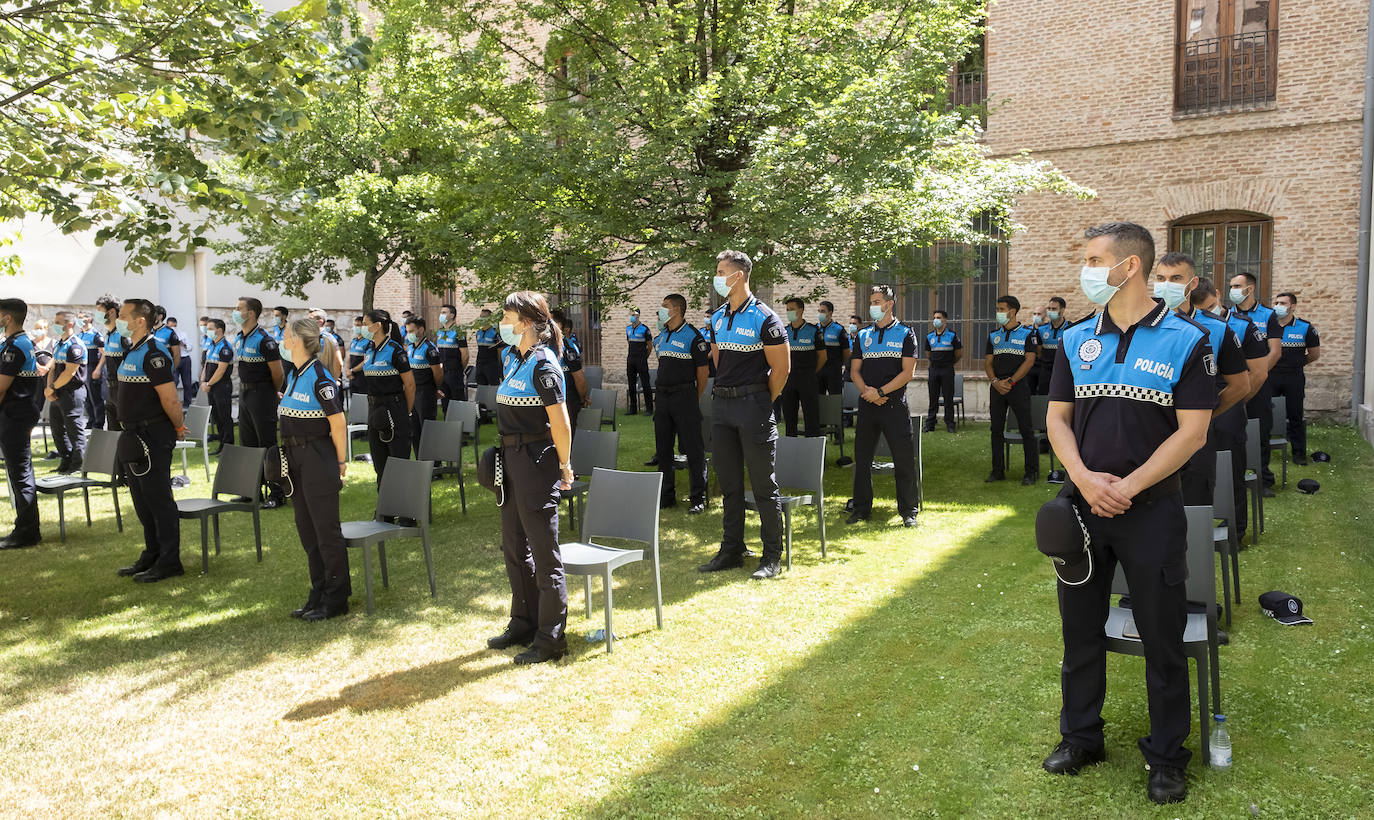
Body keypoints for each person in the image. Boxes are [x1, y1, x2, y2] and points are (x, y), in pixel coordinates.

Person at [1042, 222, 1215, 805]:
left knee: (1162, 637)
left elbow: (1192, 433)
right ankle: (1081, 738)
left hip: (1152, 511)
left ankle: (1166, 756)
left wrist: (1129, 487)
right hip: (1083, 509)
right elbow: (1057, 419)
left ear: (1130, 266)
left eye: (1095, 259)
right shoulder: (1074, 338)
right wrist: (1085, 480)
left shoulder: (1187, 340)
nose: (1087, 270)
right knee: (1079, 632)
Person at [486, 291, 574, 665]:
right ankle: (523, 622)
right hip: (510, 460)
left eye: (507, 318)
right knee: (513, 545)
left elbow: (561, 423)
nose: (502, 324)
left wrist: (565, 465)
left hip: (536, 463)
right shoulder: (513, 358)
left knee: (543, 551)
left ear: (524, 323)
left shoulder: (543, 365)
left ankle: (551, 638)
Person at [701, 250, 789, 580]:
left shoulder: (765, 318)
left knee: (764, 485)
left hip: (753, 407)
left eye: (721, 272)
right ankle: (732, 550)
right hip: (722, 407)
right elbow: (718, 360)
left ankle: (772, 556)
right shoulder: (717, 317)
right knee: (730, 484)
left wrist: (761, 400)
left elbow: (782, 369)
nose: (717, 278)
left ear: (738, 275)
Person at [1154, 255, 1250, 510]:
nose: (1167, 285)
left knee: (1195, 504)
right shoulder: (1139, 324)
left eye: (1176, 278)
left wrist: (1205, 416)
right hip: (1150, 432)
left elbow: (1241, 385)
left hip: (1195, 437)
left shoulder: (1216, 329)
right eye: (1161, 278)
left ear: (1193, 283)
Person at [279, 317, 351, 621]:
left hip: (317, 458)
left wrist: (341, 462)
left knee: (325, 531)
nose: (282, 340)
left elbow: (338, 423)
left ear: (297, 340)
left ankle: (336, 598)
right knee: (307, 530)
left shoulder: (320, 378)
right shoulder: (294, 374)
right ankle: (318, 592)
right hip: (295, 457)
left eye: (286, 335)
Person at [114, 298, 188, 583]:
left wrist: (178, 426)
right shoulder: (133, 349)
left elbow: (170, 398)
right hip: (132, 434)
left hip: (152, 434)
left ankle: (170, 560)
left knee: (158, 499)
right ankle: (152, 553)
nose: (118, 320)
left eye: (123, 316)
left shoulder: (154, 352)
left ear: (140, 321)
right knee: (142, 499)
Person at [1192, 278, 1268, 537]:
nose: (1205, 314)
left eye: (1209, 307)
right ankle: (1195, 531)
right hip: (1195, 400)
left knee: (1230, 469)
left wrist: (1234, 403)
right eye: (1199, 310)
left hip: (1227, 395)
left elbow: (1258, 373)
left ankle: (1235, 530)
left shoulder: (1241, 325)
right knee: (1193, 471)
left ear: (1217, 295)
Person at [849, 285, 920, 527]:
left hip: (894, 406)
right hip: (868, 405)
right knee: (862, 459)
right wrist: (868, 393)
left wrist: (880, 392)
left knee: (903, 459)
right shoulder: (862, 335)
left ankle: (909, 511)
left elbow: (908, 372)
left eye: (877, 302)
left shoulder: (906, 333)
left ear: (890, 304)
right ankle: (861, 509)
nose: (873, 306)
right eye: (871, 302)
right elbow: (854, 371)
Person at [652, 293, 711, 512]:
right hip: (663, 398)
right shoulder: (662, 335)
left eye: (665, 306)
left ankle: (697, 498)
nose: (661, 310)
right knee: (663, 449)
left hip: (684, 397)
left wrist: (694, 396)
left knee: (693, 449)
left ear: (676, 309)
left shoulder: (693, 336)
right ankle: (667, 496)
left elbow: (703, 372)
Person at [233, 297, 286, 508]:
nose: (235, 311)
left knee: (267, 444)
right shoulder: (240, 337)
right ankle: (251, 491)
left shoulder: (265, 341)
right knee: (247, 444)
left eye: (239, 308)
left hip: (261, 394)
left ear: (251, 313)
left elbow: (278, 373)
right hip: (244, 394)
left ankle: (277, 493)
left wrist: (271, 393)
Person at [0, 299, 45, 549]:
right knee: (19, 473)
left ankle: (27, 532)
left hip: (15, 415)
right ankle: (24, 527)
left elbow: (1, 387)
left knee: (20, 474)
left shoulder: (15, 346)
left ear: (7, 318)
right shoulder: (15, 343)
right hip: (15, 414)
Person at [1228, 272, 1280, 490]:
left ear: (1250, 289)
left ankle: (1263, 479)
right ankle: (1233, 479)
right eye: (1231, 286)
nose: (1233, 290)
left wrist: (1255, 376)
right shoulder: (1226, 315)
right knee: (1231, 432)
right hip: (1233, 384)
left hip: (1259, 383)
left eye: (1237, 286)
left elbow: (1274, 352)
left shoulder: (1268, 315)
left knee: (1260, 430)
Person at [984, 295, 1040, 484]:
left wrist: (1011, 381)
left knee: (1026, 429)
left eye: (1001, 309)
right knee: (996, 429)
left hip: (1018, 387)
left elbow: (1030, 360)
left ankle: (1030, 473)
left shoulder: (1027, 334)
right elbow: (988, 362)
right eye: (997, 309)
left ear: (1012, 311)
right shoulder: (993, 335)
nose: (998, 313)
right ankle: (997, 471)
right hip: (997, 387)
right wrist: (995, 381)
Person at [361, 309, 414, 485]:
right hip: (373, 409)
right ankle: (384, 501)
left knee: (398, 460)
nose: (362, 328)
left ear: (377, 326)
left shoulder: (395, 350)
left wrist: (405, 413)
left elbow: (410, 385)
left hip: (394, 409)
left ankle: (403, 500)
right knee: (379, 461)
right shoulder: (369, 349)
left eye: (365, 324)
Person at [1269, 292, 1319, 465]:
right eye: (1276, 302)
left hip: (1294, 377)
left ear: (1293, 306)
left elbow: (1314, 354)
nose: (1278, 306)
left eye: (1283, 303)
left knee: (1295, 416)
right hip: (1271, 376)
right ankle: (1263, 452)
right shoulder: (1269, 326)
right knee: (1266, 414)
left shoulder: (1305, 327)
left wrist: (1297, 364)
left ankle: (1299, 454)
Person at [775, 297, 825, 438]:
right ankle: (791, 448)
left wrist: (811, 372)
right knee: (789, 418)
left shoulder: (813, 331)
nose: (789, 312)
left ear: (801, 310)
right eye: (787, 310)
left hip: (808, 380)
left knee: (811, 418)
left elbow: (823, 356)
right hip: (788, 380)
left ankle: (812, 449)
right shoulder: (783, 331)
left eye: (792, 309)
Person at [46, 311, 88, 474]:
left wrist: (52, 387)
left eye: (58, 322)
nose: (54, 325)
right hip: (58, 391)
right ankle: (66, 460)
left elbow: (69, 373)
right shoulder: (59, 344)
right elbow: (53, 368)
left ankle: (78, 465)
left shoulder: (75, 345)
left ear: (69, 324)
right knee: (57, 429)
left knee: (74, 429)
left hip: (72, 392)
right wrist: (49, 388)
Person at [405, 316, 443, 454]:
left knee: (427, 429)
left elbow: (438, 373)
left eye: (411, 331)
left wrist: (436, 389)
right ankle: (419, 459)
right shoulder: (410, 348)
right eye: (407, 331)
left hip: (425, 393)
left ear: (421, 330)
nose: (409, 334)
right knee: (414, 429)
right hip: (413, 392)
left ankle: (434, 462)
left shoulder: (429, 349)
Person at [923, 308, 962, 433]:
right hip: (934, 370)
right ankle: (930, 424)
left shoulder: (952, 335)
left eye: (939, 318)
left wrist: (949, 363)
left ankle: (950, 424)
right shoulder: (929, 336)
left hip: (947, 370)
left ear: (945, 320)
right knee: (933, 398)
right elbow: (928, 353)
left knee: (948, 398)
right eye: (934, 318)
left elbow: (959, 354)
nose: (936, 320)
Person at [553, 310, 590, 432]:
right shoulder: (540, 346)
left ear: (558, 325)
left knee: (566, 432)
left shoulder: (568, 347)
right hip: (546, 400)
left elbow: (579, 378)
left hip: (566, 398)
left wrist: (582, 398)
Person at [201, 319, 235, 455]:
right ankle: (221, 444)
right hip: (211, 387)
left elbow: (221, 370)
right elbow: (206, 364)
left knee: (224, 416)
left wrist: (209, 383)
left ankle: (228, 447)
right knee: (217, 417)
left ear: (219, 330)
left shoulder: (225, 348)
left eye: (210, 328)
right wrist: (203, 381)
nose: (207, 331)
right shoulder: (211, 345)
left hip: (222, 386)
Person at [96, 296, 127, 431]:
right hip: (110, 389)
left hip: (123, 390)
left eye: (100, 311)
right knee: (113, 432)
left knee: (128, 430)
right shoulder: (109, 334)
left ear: (112, 312)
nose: (97, 314)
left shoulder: (124, 335)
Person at [434, 304, 469, 409]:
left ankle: (461, 419)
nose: (441, 315)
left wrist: (459, 368)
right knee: (445, 403)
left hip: (454, 373)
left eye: (444, 312)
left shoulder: (458, 332)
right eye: (441, 312)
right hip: (442, 373)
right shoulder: (440, 332)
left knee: (458, 402)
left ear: (452, 315)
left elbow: (465, 355)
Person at [1036, 297, 1070, 396]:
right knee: (1043, 396)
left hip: (1063, 371)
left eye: (1054, 309)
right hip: (1045, 371)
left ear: (1062, 310)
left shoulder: (1070, 329)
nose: (1050, 311)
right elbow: (1039, 351)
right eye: (1049, 309)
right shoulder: (1041, 329)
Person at [78, 312, 106, 429]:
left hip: (93, 368)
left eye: (81, 318)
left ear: (89, 319)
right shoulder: (79, 335)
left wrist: (98, 369)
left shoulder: (96, 335)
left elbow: (104, 353)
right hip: (83, 370)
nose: (78, 320)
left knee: (96, 397)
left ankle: (98, 424)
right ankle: (91, 420)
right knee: (87, 398)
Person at [625, 308, 654, 416]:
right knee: (631, 384)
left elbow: (649, 346)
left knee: (645, 384)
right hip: (631, 360)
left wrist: (645, 357)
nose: (632, 316)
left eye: (634, 314)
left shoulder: (645, 329)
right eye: (631, 314)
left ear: (638, 316)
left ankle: (649, 409)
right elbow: (629, 342)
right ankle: (633, 409)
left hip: (641, 359)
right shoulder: (628, 329)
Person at [165, 317, 195, 406]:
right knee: (174, 381)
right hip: (173, 359)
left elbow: (190, 347)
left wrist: (183, 344)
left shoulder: (182, 334)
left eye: (174, 326)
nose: (173, 328)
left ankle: (187, 403)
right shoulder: (165, 335)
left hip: (185, 359)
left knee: (187, 382)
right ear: (167, 325)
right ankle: (173, 402)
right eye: (170, 326)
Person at [474, 308, 503, 385]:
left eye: (484, 317)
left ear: (490, 319)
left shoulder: (495, 332)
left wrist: (499, 366)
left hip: (492, 365)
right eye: (480, 317)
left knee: (493, 387)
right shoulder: (478, 332)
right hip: (480, 364)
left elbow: (500, 351)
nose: (481, 319)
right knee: (481, 387)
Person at [347, 315, 369, 398]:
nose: (356, 327)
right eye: (355, 325)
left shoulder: (368, 342)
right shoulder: (354, 341)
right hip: (352, 377)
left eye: (358, 325)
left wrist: (352, 370)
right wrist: (347, 370)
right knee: (353, 400)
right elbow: (349, 357)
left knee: (362, 400)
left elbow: (366, 361)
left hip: (362, 377)